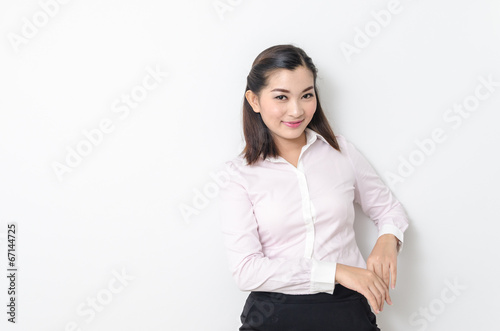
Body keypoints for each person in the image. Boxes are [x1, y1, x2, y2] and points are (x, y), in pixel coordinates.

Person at [217, 44, 409, 331]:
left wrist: (388, 240)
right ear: (254, 101)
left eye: (307, 95)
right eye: (281, 97)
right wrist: (337, 272)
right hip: (273, 314)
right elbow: (246, 271)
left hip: (347, 310)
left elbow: (389, 210)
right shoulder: (239, 175)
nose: (296, 110)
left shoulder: (341, 152)